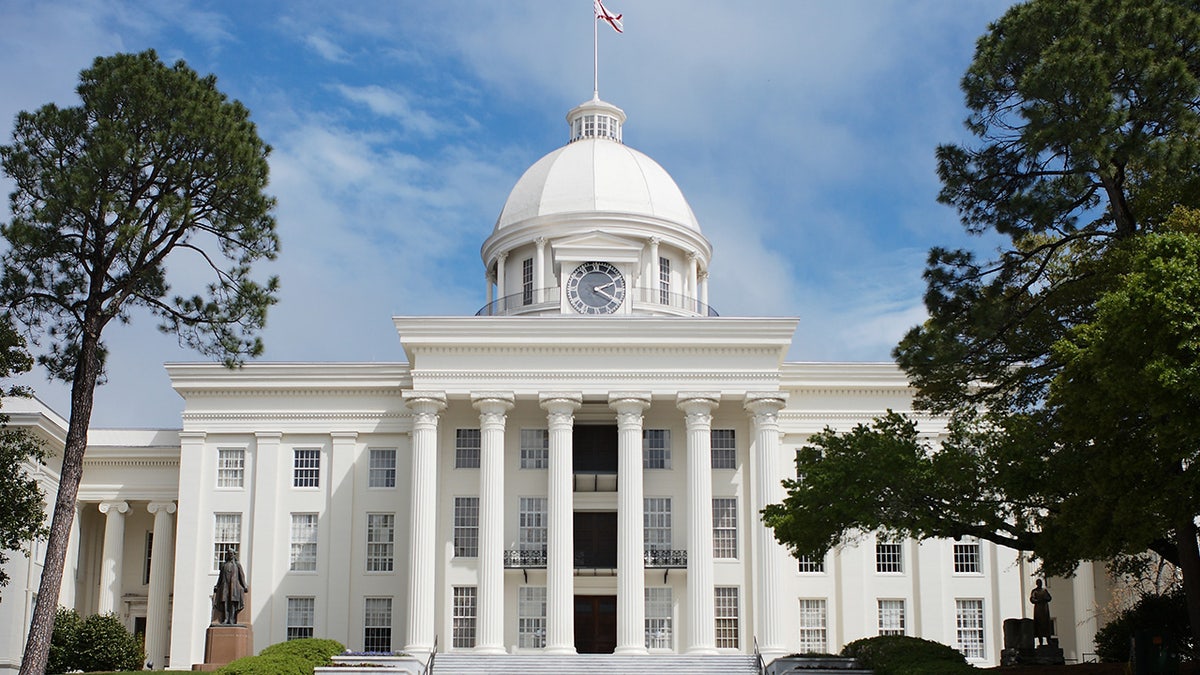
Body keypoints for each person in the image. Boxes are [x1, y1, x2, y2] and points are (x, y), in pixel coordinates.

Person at [214, 550, 248, 625]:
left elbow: (241, 576)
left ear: (234, 555)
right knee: (225, 602)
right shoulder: (224, 565)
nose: (230, 555)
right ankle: (226, 619)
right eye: (229, 554)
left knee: (232, 602)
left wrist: (244, 585)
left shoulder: (237, 564)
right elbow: (220, 577)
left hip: (234, 586)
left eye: (232, 553)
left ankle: (232, 619)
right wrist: (217, 585)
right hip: (225, 586)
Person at [1030, 578, 1052, 645]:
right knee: (1039, 625)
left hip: (1045, 610)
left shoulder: (1044, 590)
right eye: (1039, 583)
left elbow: (1049, 598)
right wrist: (1038, 601)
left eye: (1041, 582)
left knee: (1046, 625)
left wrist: (1045, 599)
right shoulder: (1035, 591)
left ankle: (1049, 640)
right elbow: (1032, 599)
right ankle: (1041, 641)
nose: (1040, 584)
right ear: (1037, 584)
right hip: (1038, 611)